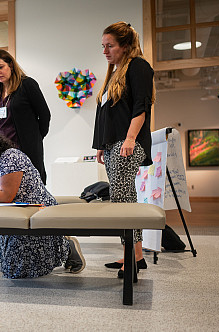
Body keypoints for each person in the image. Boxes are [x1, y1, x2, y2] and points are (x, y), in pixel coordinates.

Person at [0, 129, 85, 279]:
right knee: (9, 268)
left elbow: (6, 195)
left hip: (36, 211)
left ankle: (66, 247)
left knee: (19, 272)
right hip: (11, 216)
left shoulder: (11, 156)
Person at [92, 21, 155, 278]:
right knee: (121, 197)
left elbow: (142, 106)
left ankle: (133, 255)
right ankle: (135, 254)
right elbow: (106, 115)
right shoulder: (113, 73)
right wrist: (101, 145)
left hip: (129, 143)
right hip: (113, 144)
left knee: (123, 197)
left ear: (125, 46)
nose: (105, 51)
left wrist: (130, 138)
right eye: (103, 46)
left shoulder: (138, 66)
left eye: (110, 46)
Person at [0, 49, 51, 184]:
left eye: (1, 67)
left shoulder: (27, 84)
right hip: (2, 151)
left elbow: (44, 114)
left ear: (10, 65)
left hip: (25, 148)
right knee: (6, 188)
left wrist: (36, 138)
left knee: (30, 184)